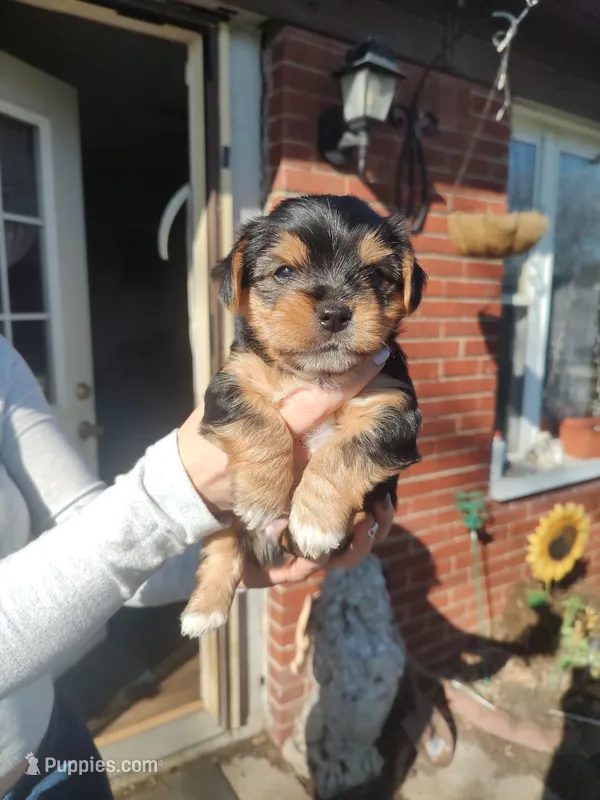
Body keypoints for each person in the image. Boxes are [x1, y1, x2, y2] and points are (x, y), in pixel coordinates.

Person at [0, 337, 394, 799]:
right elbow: (145, 524)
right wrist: (174, 494)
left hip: (57, 743)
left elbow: (82, 526)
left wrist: (264, 549)